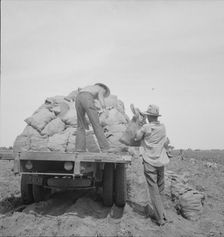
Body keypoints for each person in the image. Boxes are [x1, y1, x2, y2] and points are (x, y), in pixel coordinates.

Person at [134, 104, 170, 226]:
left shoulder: (145, 127)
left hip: (150, 161)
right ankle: (163, 214)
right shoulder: (163, 127)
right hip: (161, 162)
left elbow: (136, 137)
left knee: (153, 190)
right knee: (160, 189)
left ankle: (159, 219)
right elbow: (164, 140)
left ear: (149, 116)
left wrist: (140, 122)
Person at [74, 83, 115, 153]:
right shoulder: (102, 89)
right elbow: (100, 98)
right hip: (87, 98)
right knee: (96, 124)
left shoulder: (89, 87)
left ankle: (79, 149)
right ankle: (105, 148)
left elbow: (86, 100)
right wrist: (104, 109)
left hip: (78, 98)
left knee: (80, 125)